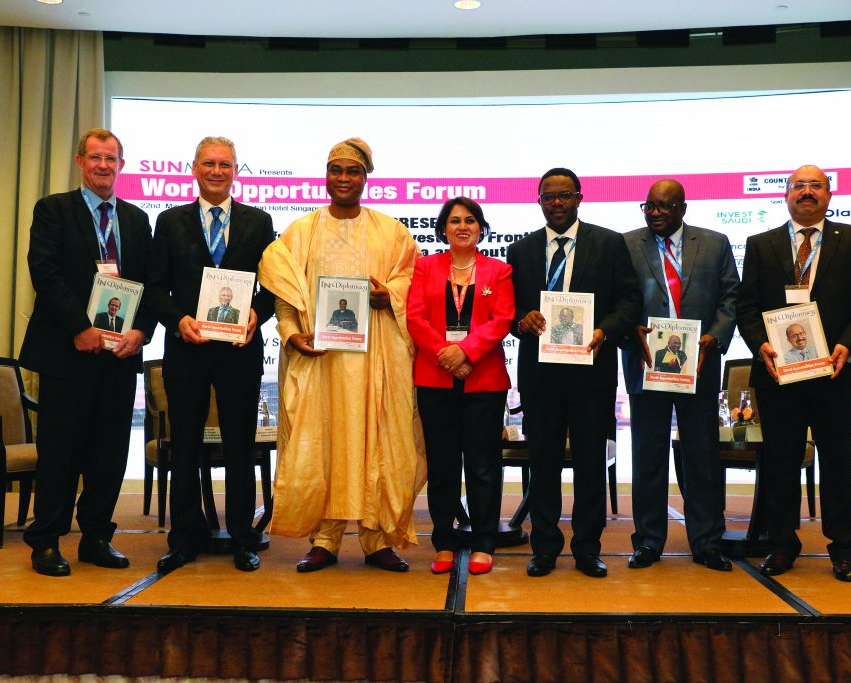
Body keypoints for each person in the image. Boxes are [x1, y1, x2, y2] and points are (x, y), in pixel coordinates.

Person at [258, 137, 425, 573]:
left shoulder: (391, 232)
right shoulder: (301, 232)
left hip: (376, 361)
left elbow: (412, 280)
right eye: (336, 170)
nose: (344, 178)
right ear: (326, 176)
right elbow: (284, 297)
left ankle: (377, 539)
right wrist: (291, 334)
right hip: (322, 361)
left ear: (366, 178)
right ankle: (325, 539)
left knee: (378, 443)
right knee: (322, 444)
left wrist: (390, 296)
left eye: (353, 171)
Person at [19, 128, 153, 577]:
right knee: (60, 451)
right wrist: (79, 327)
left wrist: (142, 331)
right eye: (95, 157)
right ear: (80, 161)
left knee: (109, 453)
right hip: (67, 352)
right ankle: (46, 541)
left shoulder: (136, 219)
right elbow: (45, 272)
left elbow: (149, 283)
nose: (103, 165)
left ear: (121, 165)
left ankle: (96, 536)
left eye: (111, 158)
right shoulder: (53, 209)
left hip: (118, 356)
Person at [737, 165, 851, 582]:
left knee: (838, 462)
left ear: (829, 195)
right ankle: (782, 544)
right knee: (780, 463)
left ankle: (845, 550)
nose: (806, 191)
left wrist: (848, 344)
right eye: (798, 185)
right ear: (786, 195)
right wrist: (760, 344)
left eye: (815, 185)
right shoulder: (760, 244)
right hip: (779, 373)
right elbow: (747, 307)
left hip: (835, 371)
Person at [145, 136, 275, 574]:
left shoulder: (259, 222)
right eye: (209, 164)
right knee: (184, 447)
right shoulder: (169, 221)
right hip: (187, 351)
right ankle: (184, 538)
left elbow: (272, 287)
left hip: (240, 352)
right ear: (194, 169)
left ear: (236, 170)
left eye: (224, 164)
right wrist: (177, 319)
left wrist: (257, 313)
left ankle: (242, 537)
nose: (216, 171)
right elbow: (154, 288)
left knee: (240, 448)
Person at [508, 167, 640, 578]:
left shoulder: (610, 243)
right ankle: (544, 548)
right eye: (549, 196)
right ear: (539, 201)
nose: (557, 203)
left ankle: (587, 549)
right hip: (541, 375)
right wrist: (521, 321)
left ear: (579, 198)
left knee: (589, 465)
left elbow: (629, 300)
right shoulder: (521, 250)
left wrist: (605, 329)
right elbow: (508, 310)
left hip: (591, 373)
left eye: (564, 195)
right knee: (543, 464)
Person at [621, 179, 739, 573]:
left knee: (701, 455)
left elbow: (730, 297)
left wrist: (714, 337)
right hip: (646, 362)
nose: (655, 213)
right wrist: (630, 329)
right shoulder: (626, 244)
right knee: (648, 455)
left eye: (664, 206)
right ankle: (648, 541)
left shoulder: (715, 243)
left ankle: (707, 542)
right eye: (649, 206)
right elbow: (618, 298)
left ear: (683, 208)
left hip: (699, 363)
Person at [407, 197, 514, 576]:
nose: (462, 226)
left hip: (484, 380)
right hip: (435, 377)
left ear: (481, 228)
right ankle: (444, 542)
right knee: (443, 465)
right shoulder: (425, 267)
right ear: (444, 229)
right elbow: (416, 317)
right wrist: (446, 354)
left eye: (470, 220)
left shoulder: (499, 270)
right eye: (454, 221)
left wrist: (465, 352)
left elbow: (502, 320)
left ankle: (484, 542)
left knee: (483, 465)